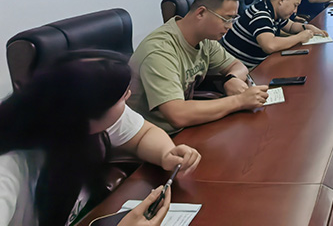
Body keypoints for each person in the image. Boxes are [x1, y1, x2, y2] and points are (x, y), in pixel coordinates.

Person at [0, 50, 201, 226]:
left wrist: (166, 153)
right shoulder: (8, 170)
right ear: (86, 118)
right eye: (123, 97)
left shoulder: (74, 119)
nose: (129, 95)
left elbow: (143, 134)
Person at [128, 0, 270, 135]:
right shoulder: (159, 51)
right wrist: (239, 101)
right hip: (155, 138)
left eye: (233, 19)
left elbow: (237, 66)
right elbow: (177, 115)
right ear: (201, 12)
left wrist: (231, 79)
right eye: (226, 19)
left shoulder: (205, 40)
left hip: (186, 127)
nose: (230, 26)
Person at [221, 0, 328, 68]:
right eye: (295, 5)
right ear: (282, 0)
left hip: (258, 64)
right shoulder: (261, 14)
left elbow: (291, 26)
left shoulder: (274, 12)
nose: (295, 11)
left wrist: (308, 27)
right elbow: (270, 45)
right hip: (242, 69)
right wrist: (299, 37)